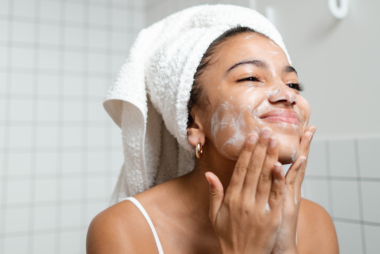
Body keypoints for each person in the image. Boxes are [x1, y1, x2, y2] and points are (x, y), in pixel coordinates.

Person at [87, 5, 339, 254]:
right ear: (193, 123)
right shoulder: (124, 229)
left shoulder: (314, 223)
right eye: (250, 77)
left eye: (293, 83)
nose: (287, 94)